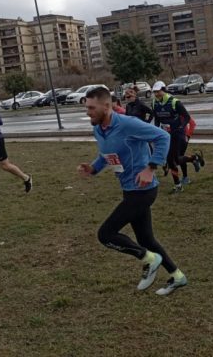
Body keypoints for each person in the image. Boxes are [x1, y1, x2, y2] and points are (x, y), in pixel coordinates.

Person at [77, 86, 188, 296]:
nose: (87, 112)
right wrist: (93, 168)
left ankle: (149, 259)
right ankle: (177, 276)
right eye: (86, 107)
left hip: (143, 190)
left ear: (107, 106)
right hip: (129, 190)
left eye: (91, 107)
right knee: (146, 239)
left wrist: (151, 166)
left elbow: (162, 137)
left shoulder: (128, 124)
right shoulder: (99, 128)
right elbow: (105, 154)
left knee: (106, 234)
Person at [151, 81, 203, 192]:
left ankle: (179, 183)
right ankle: (192, 161)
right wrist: (156, 130)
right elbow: (157, 118)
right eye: (154, 92)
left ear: (163, 90)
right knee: (173, 160)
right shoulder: (154, 103)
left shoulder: (174, 102)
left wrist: (181, 127)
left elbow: (187, 117)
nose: (156, 94)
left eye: (158, 91)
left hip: (177, 134)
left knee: (172, 159)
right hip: (165, 134)